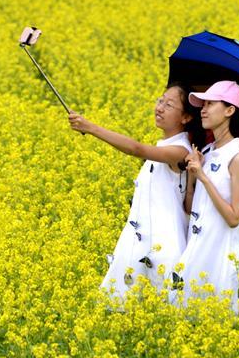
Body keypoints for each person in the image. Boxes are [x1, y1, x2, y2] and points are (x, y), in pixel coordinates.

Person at [68, 83, 204, 304]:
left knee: (160, 309)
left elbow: (136, 149)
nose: (159, 107)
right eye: (160, 100)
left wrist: (91, 127)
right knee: (124, 308)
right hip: (140, 238)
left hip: (163, 245)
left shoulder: (181, 150)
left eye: (169, 105)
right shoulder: (167, 145)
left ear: (186, 117)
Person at [172, 80, 239, 315]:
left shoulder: (238, 158)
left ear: (229, 111)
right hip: (194, 250)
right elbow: (189, 207)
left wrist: (204, 177)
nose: (203, 110)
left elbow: (234, 218)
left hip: (217, 256)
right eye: (202, 104)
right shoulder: (206, 152)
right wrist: (192, 176)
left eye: (210, 104)